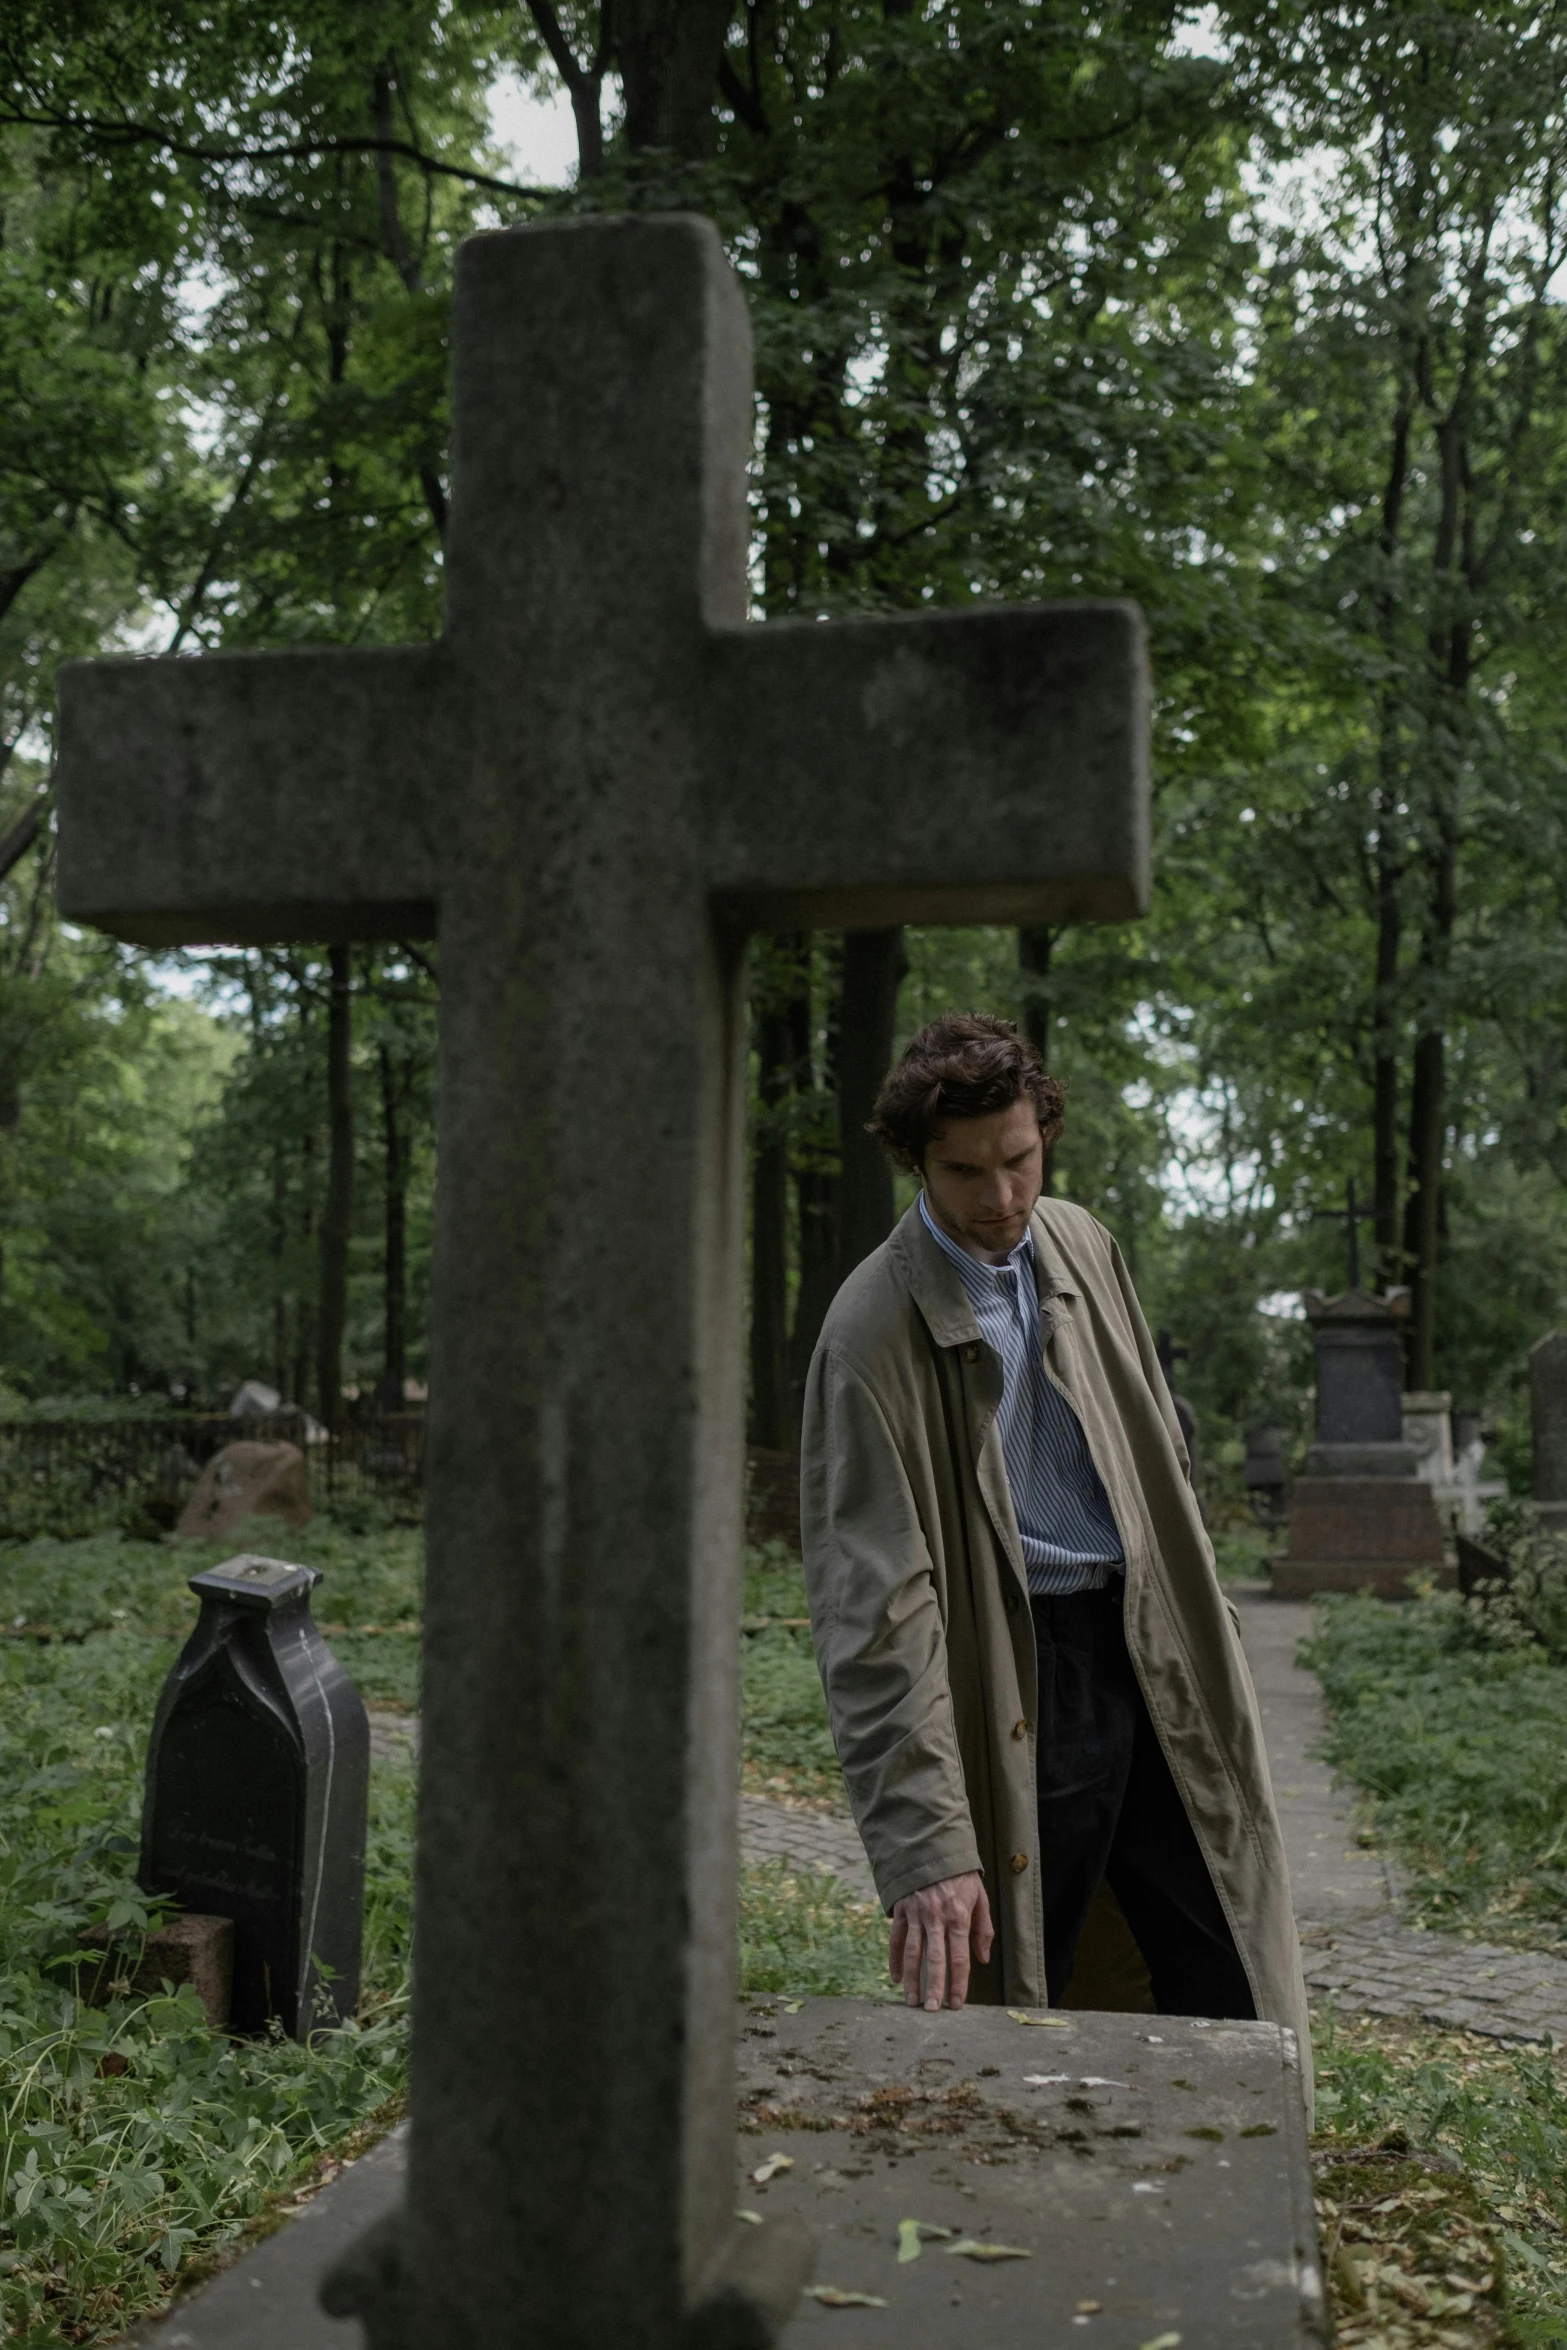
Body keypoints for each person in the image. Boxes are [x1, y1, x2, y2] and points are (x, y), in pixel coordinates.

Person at [800, 1013, 1308, 2096]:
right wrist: (924, 1843)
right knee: (1027, 2003)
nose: (1000, 1198)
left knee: (1221, 1957)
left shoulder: (1080, 1242)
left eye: (1020, 1159)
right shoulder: (869, 1331)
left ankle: (1242, 2203)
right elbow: (872, 1612)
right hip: (1019, 1672)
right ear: (914, 1162)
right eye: (964, 1170)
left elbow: (1152, 1448)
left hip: (1149, 1646)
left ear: (1045, 1134)